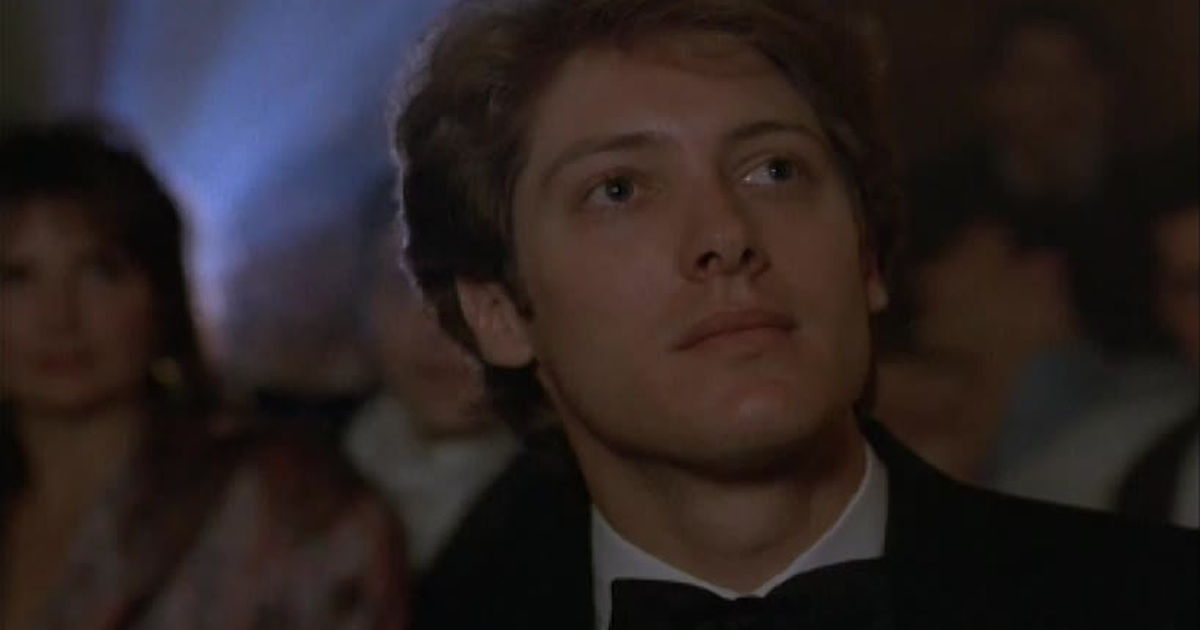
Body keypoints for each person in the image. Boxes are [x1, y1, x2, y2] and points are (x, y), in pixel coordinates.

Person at [392, 1, 1197, 628]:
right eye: (620, 190)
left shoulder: (1155, 599)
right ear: (498, 311)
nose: (726, 235)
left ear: (867, 258)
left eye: (774, 170)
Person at [0, 120, 407, 630]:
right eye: (15, 277)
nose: (58, 317)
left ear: (161, 295)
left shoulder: (285, 504)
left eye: (101, 271)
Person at [344, 182, 518, 573]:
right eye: (405, 286)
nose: (438, 329)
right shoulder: (300, 471)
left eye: (477, 290)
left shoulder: (588, 508)